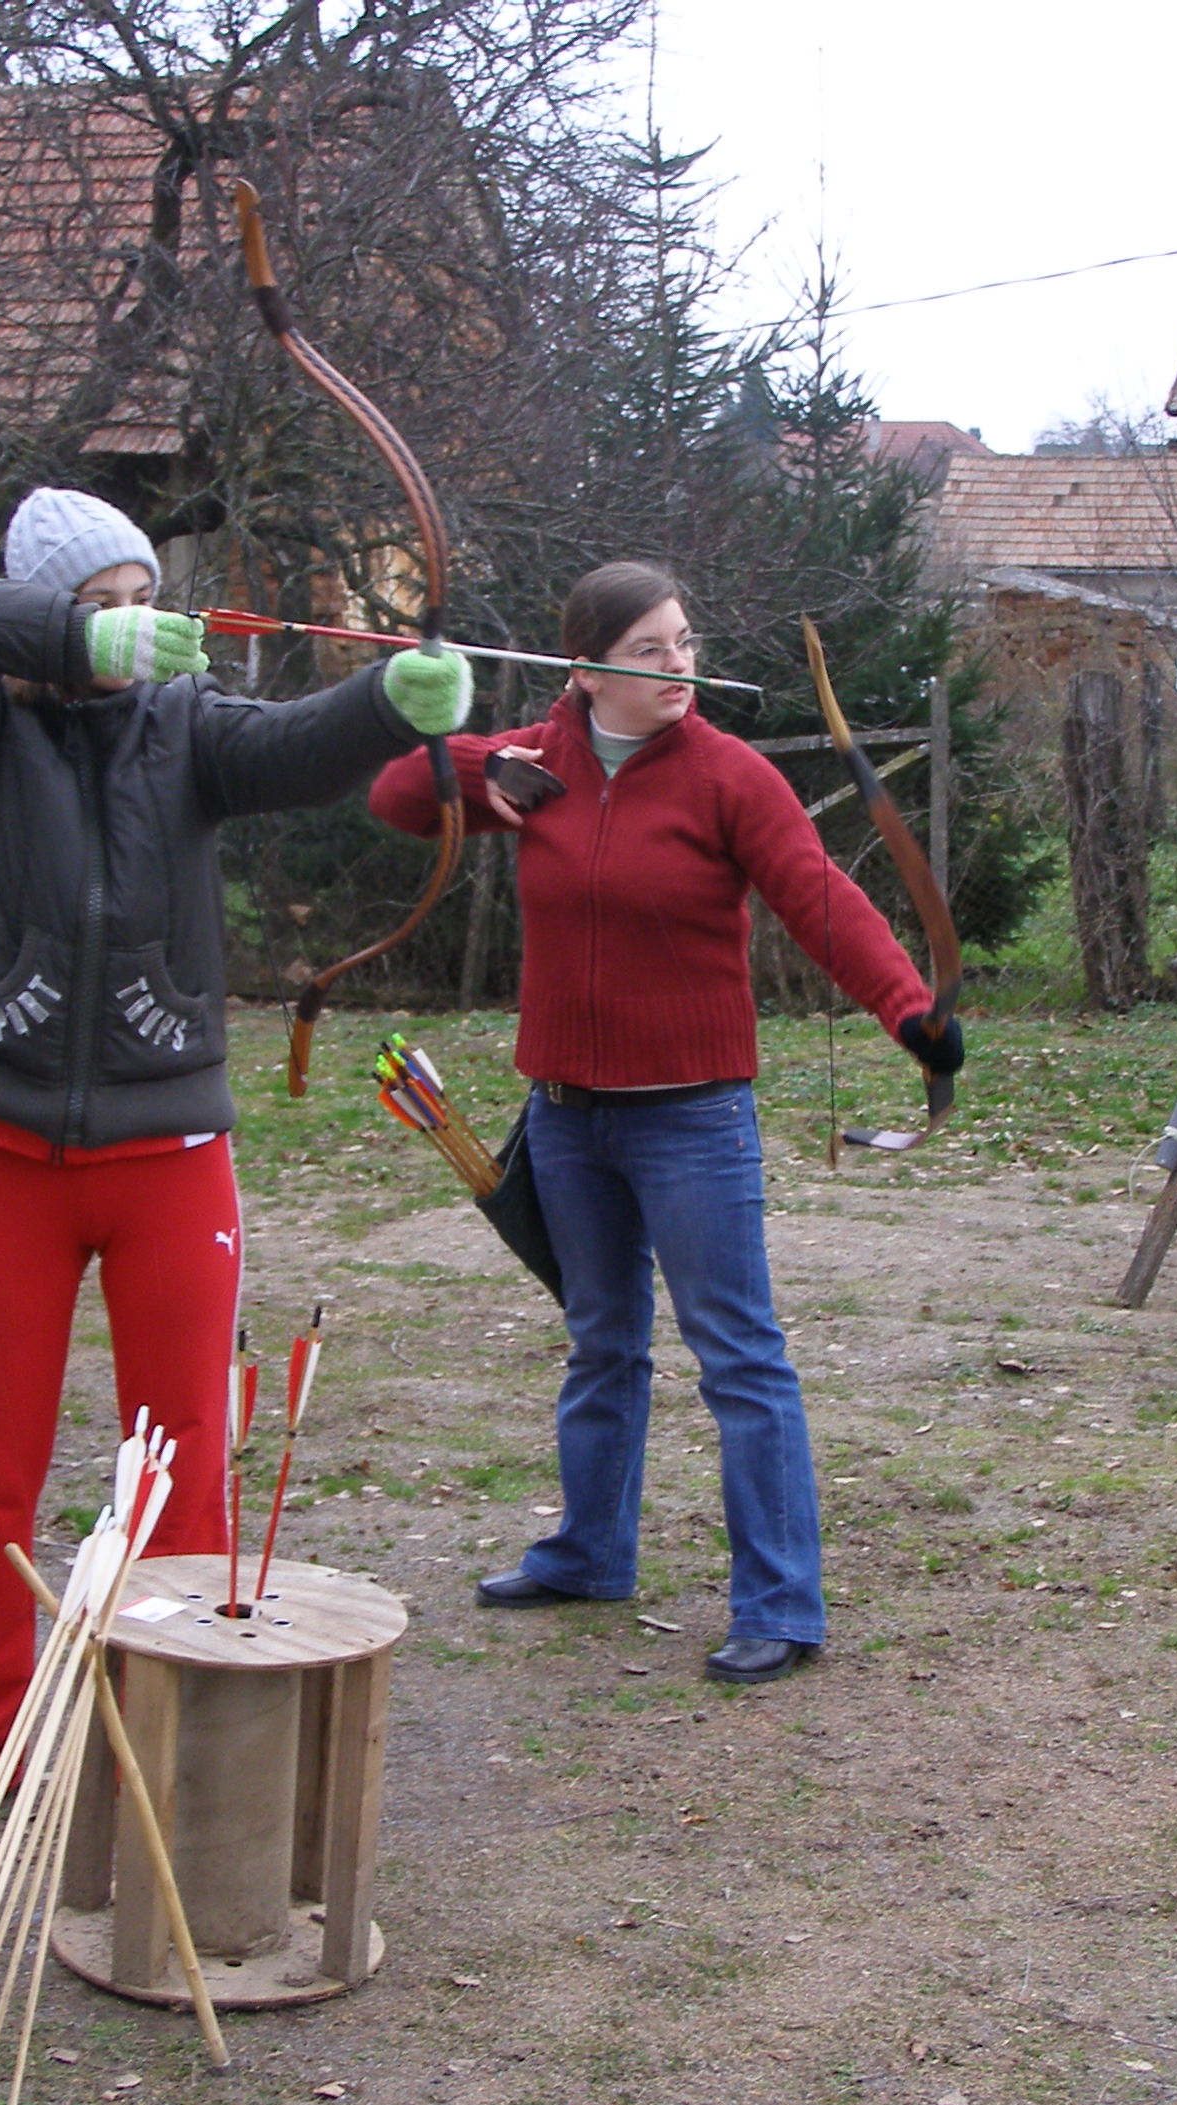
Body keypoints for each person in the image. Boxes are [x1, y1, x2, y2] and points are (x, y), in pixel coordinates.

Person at [0, 487, 472, 1820]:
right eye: (105, 609)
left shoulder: (183, 727)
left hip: (168, 1149)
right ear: (47, 616)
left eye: (145, 603)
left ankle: (172, 1730)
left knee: (183, 1456)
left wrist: (392, 704)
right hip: (1, 1146)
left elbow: (297, 747)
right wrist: (68, 646)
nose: (138, 630)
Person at [368, 562, 961, 1684]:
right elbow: (397, 794)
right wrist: (483, 767)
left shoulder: (726, 775)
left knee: (737, 1354)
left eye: (685, 643)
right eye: (649, 650)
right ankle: (590, 1554)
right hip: (564, 1114)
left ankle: (780, 1603)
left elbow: (820, 899)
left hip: (691, 1116)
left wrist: (907, 1010)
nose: (678, 666)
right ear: (585, 669)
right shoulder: (538, 761)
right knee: (601, 1341)